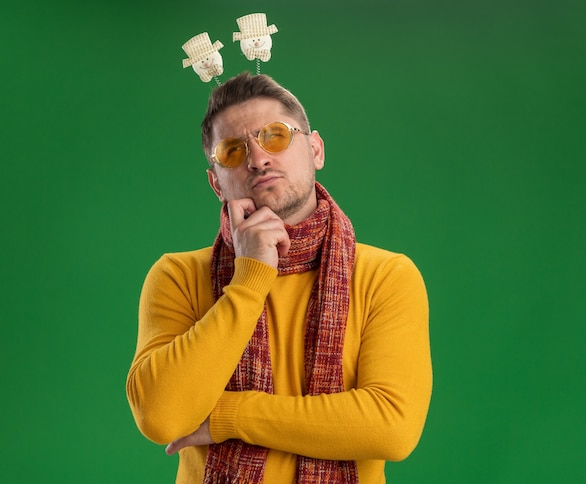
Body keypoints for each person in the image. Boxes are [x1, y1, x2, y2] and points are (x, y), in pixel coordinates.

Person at [126, 72, 432, 483]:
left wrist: (229, 415)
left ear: (316, 149)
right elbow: (162, 417)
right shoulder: (178, 276)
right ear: (216, 182)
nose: (257, 158)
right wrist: (250, 276)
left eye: (274, 136)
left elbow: (391, 427)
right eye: (232, 150)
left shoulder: (384, 276)